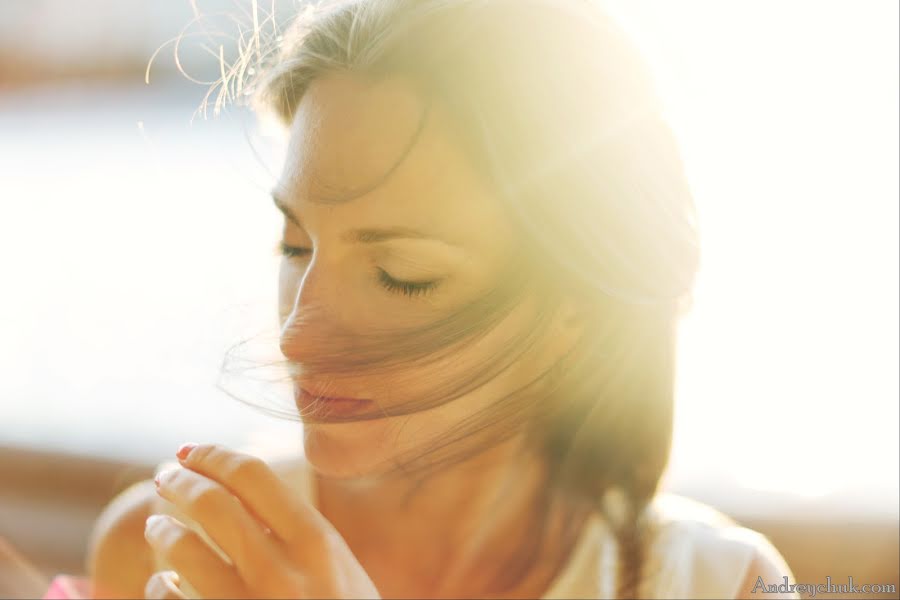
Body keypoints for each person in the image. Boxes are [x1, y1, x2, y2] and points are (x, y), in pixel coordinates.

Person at [86, 0, 800, 598]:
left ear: (577, 303)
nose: (297, 336)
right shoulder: (166, 551)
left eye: (402, 274)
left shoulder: (725, 583)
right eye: (296, 246)